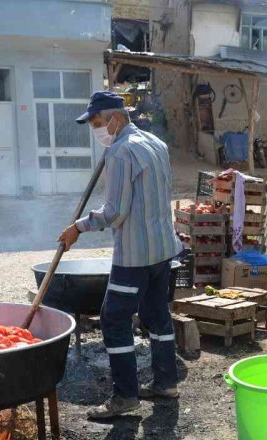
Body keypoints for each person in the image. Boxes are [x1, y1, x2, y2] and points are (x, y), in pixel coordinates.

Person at [58, 91, 182, 420]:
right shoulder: (155, 144)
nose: (96, 130)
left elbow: (115, 213)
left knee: (113, 319)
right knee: (157, 314)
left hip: (135, 256)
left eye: (98, 123)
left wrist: (78, 227)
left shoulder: (120, 152)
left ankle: (125, 396)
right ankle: (166, 382)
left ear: (115, 118)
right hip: (162, 249)